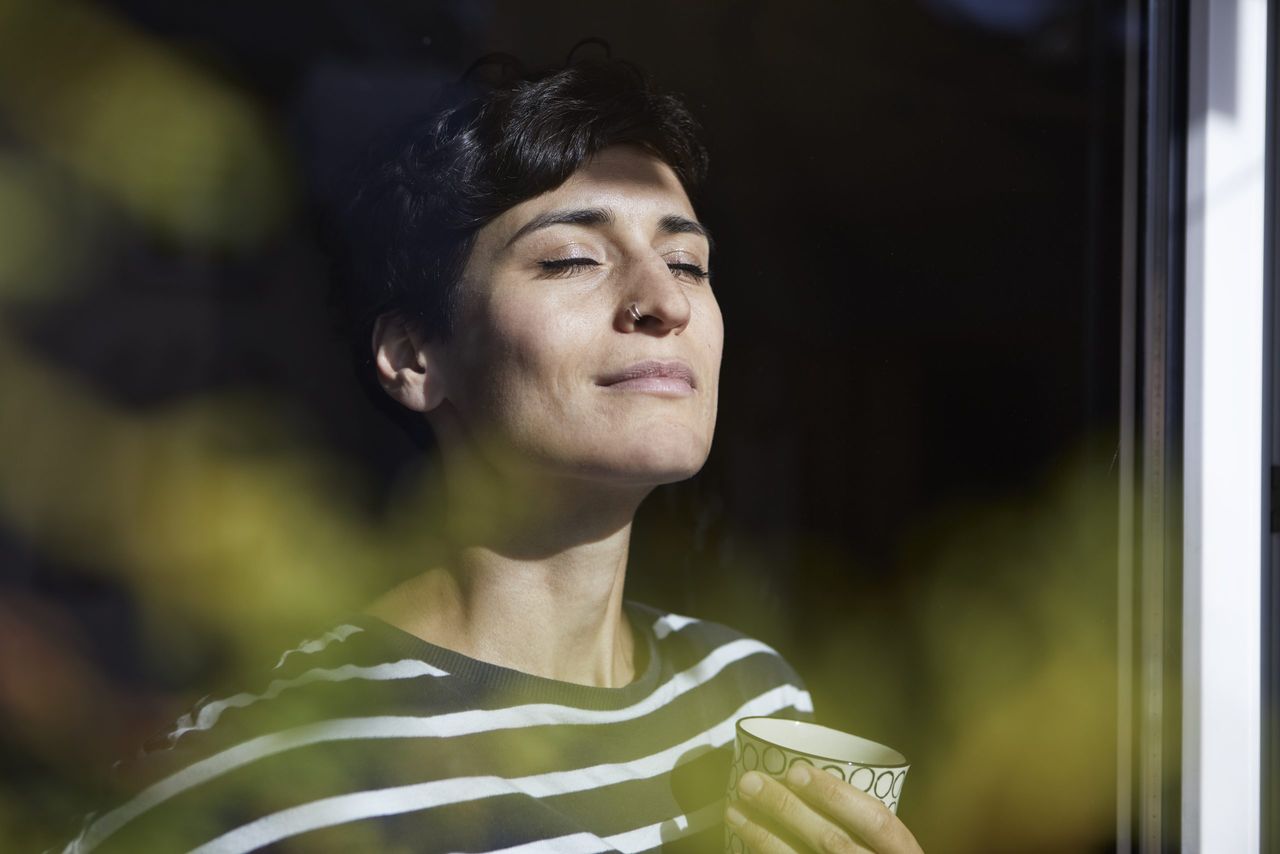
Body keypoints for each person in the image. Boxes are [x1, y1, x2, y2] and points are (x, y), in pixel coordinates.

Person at [63, 53, 923, 853]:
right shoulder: (267, 784)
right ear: (415, 359)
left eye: (689, 262)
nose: (663, 300)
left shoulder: (754, 701)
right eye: (573, 258)